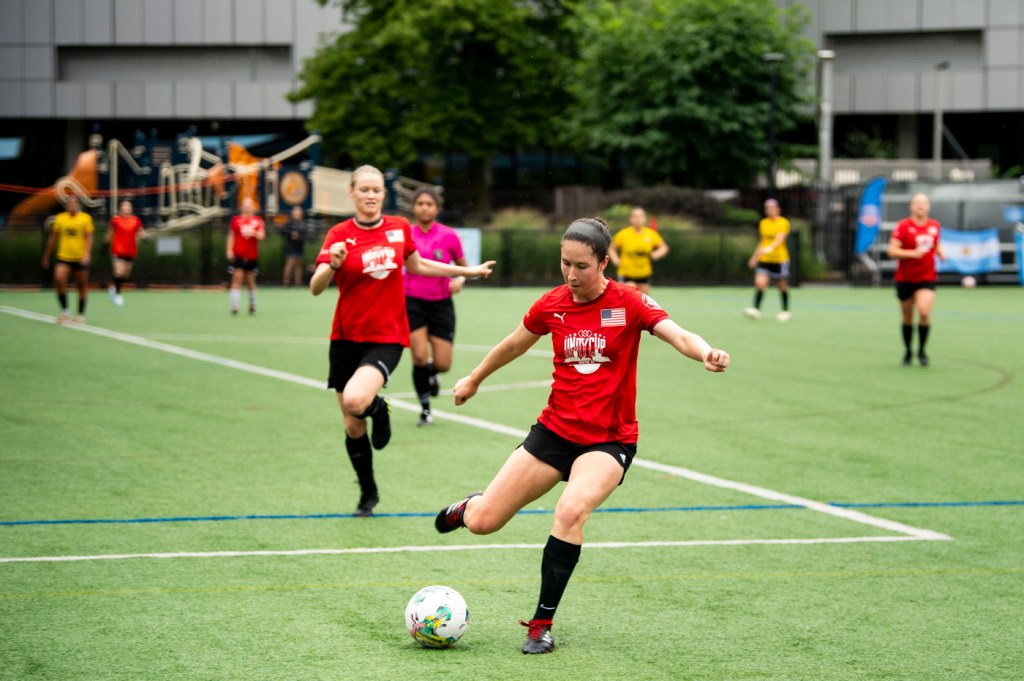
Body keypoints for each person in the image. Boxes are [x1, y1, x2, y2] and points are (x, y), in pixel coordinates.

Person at [433, 217, 730, 654]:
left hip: (608, 442)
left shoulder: (629, 302)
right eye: (564, 264)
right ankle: (470, 507)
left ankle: (540, 624)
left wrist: (705, 352)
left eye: (581, 266)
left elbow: (677, 334)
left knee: (571, 511)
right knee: (484, 523)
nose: (571, 275)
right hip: (554, 433)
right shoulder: (552, 303)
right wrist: (475, 378)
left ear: (604, 262)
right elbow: (514, 344)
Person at [310, 165, 494, 517]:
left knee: (355, 400)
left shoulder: (398, 228)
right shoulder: (338, 233)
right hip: (345, 337)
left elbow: (420, 265)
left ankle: (379, 407)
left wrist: (465, 272)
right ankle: (368, 492)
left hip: (387, 336)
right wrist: (330, 266)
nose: (370, 195)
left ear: (384, 194)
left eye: (376, 190)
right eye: (363, 189)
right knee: (352, 424)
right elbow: (315, 287)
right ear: (351, 193)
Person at [404, 187, 467, 426]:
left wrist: (459, 280)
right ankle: (425, 409)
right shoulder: (406, 235)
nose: (424, 208)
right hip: (412, 302)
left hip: (441, 304)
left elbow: (462, 268)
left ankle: (432, 373)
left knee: (443, 364)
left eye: (429, 204)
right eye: (420, 203)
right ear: (414, 207)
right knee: (419, 356)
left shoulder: (449, 236)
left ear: (437, 208)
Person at [887, 192, 947, 367]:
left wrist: (940, 252)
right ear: (911, 206)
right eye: (917, 203)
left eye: (924, 203)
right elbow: (892, 251)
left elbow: (935, 243)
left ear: (929, 206)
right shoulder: (903, 226)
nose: (921, 206)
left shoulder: (935, 225)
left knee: (924, 311)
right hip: (905, 279)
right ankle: (908, 351)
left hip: (927, 277)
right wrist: (912, 253)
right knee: (907, 318)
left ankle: (922, 351)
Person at [41, 195, 94, 324]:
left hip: (80, 258)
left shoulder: (85, 218)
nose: (72, 205)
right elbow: (53, 238)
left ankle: (80, 314)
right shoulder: (60, 219)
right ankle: (65, 312)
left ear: (79, 205)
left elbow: (89, 237)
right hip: (64, 257)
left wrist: (87, 254)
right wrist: (47, 255)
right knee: (59, 280)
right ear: (66, 205)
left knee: (81, 286)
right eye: (70, 203)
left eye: (75, 203)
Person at [744, 198, 792, 321]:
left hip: (780, 260)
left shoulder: (783, 222)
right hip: (765, 260)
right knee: (760, 283)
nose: (771, 210)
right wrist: (755, 257)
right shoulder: (763, 223)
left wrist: (770, 248)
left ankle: (785, 310)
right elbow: (762, 241)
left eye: (773, 208)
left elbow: (780, 239)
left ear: (778, 209)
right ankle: (756, 309)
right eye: (768, 208)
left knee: (782, 286)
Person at [608, 206, 668, 294]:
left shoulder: (651, 234)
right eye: (634, 216)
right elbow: (611, 248)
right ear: (630, 219)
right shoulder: (623, 234)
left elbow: (664, 247)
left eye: (640, 216)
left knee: (643, 300)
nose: (637, 219)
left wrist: (656, 254)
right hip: (627, 273)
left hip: (644, 273)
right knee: (632, 295)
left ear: (645, 218)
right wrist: (616, 260)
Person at [226, 197, 266, 315]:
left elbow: (262, 236)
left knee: (250, 280)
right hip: (238, 254)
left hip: (251, 256)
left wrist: (253, 232)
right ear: (242, 207)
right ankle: (235, 306)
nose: (247, 208)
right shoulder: (236, 220)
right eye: (245, 205)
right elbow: (231, 235)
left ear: (253, 208)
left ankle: (252, 304)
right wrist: (229, 250)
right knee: (237, 278)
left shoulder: (257, 221)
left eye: (249, 206)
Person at [105, 199, 147, 306]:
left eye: (128, 206)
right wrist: (105, 244)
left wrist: (145, 237)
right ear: (121, 208)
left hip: (130, 251)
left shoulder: (135, 220)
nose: (126, 208)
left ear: (131, 209)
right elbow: (109, 233)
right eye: (124, 206)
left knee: (125, 275)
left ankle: (114, 287)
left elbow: (141, 232)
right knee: (119, 272)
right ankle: (118, 295)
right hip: (118, 250)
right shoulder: (116, 220)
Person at [281, 205, 308, 287]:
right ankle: (286, 282)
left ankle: (298, 283)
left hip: (299, 247)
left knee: (298, 265)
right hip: (291, 247)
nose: (296, 213)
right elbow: (283, 231)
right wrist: (291, 234)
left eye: (298, 212)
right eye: (295, 211)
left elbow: (305, 235)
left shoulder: (303, 223)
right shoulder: (289, 223)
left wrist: (299, 236)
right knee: (290, 264)